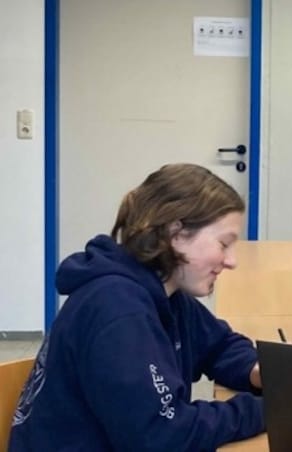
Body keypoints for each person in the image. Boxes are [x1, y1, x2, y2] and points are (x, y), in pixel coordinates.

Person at [9, 164, 265, 451]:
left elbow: (219, 345)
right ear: (176, 234)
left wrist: (259, 370)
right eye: (224, 244)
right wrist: (264, 409)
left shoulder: (165, 291)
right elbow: (161, 436)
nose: (232, 261)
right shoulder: (117, 309)